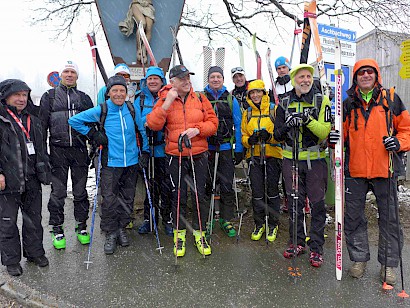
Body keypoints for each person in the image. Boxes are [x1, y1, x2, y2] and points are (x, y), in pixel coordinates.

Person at [329, 59, 410, 284]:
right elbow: (338, 134)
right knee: (353, 218)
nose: (365, 75)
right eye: (361, 73)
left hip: (385, 168)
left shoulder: (391, 100)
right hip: (355, 170)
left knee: (389, 219)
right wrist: (332, 138)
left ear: (376, 76)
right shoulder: (347, 104)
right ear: (355, 78)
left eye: (369, 72)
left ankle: (389, 265)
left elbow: (406, 129)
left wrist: (399, 142)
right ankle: (358, 259)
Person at [68, 75, 149, 255]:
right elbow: (74, 121)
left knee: (127, 198)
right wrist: (92, 133)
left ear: (126, 93)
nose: (119, 94)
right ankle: (111, 233)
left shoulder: (131, 108)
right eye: (115, 90)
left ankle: (121, 228)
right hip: (111, 162)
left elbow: (141, 130)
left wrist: (145, 152)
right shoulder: (102, 110)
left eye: (122, 90)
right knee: (110, 200)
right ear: (109, 93)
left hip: (131, 162)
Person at [147, 64, 218, 257]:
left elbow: (213, 123)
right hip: (175, 155)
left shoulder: (201, 98)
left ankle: (199, 233)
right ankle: (179, 235)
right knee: (178, 196)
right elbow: (153, 124)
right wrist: (167, 102)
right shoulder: (164, 99)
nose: (187, 81)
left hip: (199, 155)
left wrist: (199, 130)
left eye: (188, 77)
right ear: (173, 82)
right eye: (182, 78)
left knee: (199, 196)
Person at [274, 64, 331, 268]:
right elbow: (277, 134)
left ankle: (316, 247)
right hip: (291, 160)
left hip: (314, 161)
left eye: (308, 76)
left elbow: (324, 132)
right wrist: (289, 123)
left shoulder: (321, 100)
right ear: (293, 79)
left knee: (317, 204)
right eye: (301, 77)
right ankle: (297, 241)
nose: (305, 80)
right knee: (294, 203)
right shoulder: (283, 102)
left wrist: (307, 120)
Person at [39, 60, 94, 250]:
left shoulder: (84, 98)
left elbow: (92, 124)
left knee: (80, 191)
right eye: (66, 72)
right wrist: (42, 153)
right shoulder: (50, 97)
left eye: (72, 72)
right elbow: (41, 126)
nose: (69, 75)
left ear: (77, 76)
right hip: (58, 150)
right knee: (58, 192)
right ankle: (57, 227)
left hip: (79, 150)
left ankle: (81, 226)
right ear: (60, 76)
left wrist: (94, 144)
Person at [0, 79, 51, 276]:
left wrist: (44, 169)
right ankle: (11, 260)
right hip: (8, 181)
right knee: (7, 222)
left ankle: (34, 252)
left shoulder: (33, 117)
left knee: (33, 220)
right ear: (6, 96)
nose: (22, 99)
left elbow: (40, 147)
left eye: (24, 95)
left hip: (32, 179)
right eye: (17, 95)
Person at [203, 66, 243, 238]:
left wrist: (239, 148)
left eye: (218, 76)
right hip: (207, 149)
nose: (216, 80)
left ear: (223, 79)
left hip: (226, 147)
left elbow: (238, 124)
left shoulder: (230, 99)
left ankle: (226, 219)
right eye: (212, 77)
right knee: (207, 185)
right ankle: (208, 217)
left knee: (226, 185)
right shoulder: (202, 98)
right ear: (208, 79)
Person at [241, 80, 283, 242]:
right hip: (255, 156)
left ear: (264, 93)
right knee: (257, 192)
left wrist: (270, 137)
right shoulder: (248, 113)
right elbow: (243, 135)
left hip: (273, 156)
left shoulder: (274, 110)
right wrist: (249, 140)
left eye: (258, 92)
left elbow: (281, 134)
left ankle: (273, 223)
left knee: (272, 191)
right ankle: (259, 224)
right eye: (252, 93)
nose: (255, 95)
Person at [136, 66, 173, 237]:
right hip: (148, 149)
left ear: (161, 81)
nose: (152, 81)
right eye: (150, 79)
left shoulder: (168, 97)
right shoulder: (140, 98)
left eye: (156, 79)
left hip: (165, 150)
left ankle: (167, 219)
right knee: (150, 188)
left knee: (166, 187)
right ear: (145, 81)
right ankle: (149, 220)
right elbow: (138, 124)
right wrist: (144, 150)